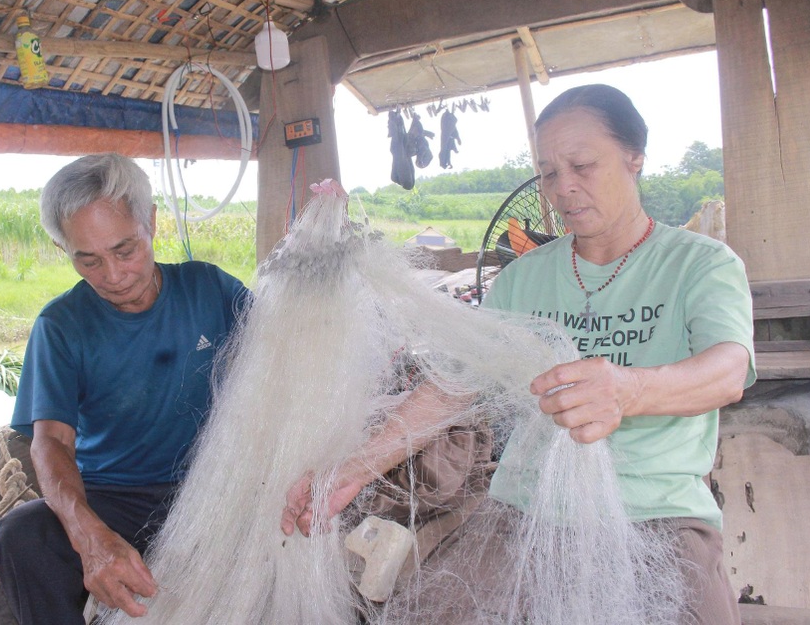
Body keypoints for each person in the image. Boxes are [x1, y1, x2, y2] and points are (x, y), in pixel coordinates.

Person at [282, 84, 755, 624]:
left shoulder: (701, 265)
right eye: (549, 173)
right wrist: (354, 469)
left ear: (634, 157)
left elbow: (727, 371)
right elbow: (454, 386)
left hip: (658, 515)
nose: (563, 189)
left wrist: (630, 390)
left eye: (582, 165)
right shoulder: (524, 277)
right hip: (525, 512)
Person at [0, 153, 251, 624]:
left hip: (213, 483)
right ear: (63, 250)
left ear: (150, 221)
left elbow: (282, 349)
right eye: (88, 261)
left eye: (125, 250)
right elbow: (50, 442)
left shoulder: (209, 288)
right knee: (21, 536)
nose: (113, 277)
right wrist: (90, 537)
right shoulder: (60, 327)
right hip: (117, 499)